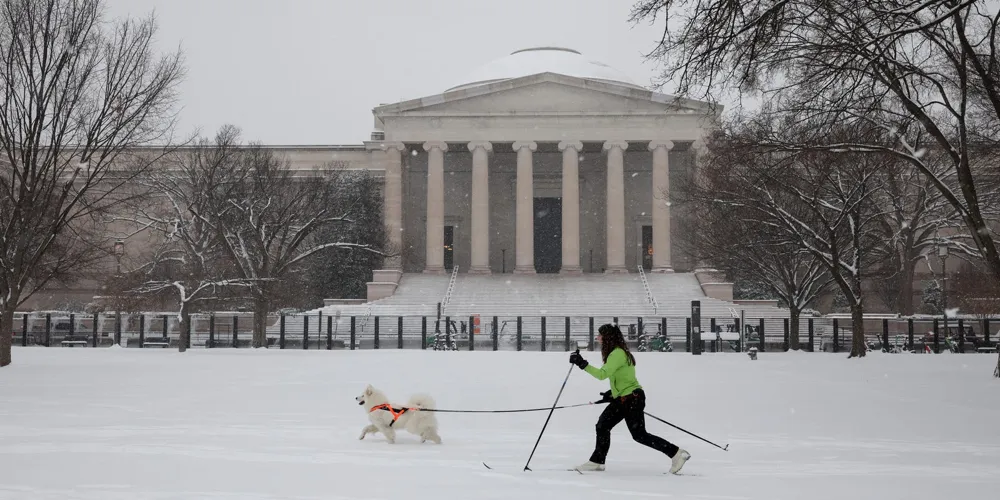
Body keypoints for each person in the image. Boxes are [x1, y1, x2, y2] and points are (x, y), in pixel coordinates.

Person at [569, 323, 690, 473]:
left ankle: (677, 453)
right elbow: (623, 377)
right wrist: (612, 393)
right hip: (624, 398)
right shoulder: (616, 353)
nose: (597, 337)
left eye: (600, 335)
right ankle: (597, 461)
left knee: (639, 435)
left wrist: (582, 364)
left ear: (608, 338)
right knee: (603, 425)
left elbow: (602, 375)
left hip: (632, 398)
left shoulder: (617, 353)